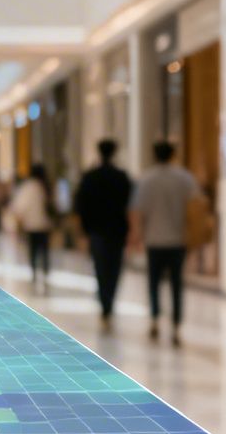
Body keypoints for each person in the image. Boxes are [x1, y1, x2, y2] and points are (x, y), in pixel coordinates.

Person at [130, 141, 204, 347]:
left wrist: (136, 236)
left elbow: (137, 210)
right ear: (173, 155)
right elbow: (197, 206)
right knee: (176, 284)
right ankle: (176, 326)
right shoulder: (184, 178)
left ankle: (154, 319)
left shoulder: (146, 179)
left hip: (154, 240)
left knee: (153, 282)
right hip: (177, 240)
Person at [74, 139, 133, 329]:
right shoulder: (122, 177)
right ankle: (110, 303)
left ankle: (104, 305)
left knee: (100, 268)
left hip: (96, 231)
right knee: (114, 269)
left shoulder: (90, 177)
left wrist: (83, 230)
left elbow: (81, 205)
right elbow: (130, 205)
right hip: (117, 230)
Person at [9, 165, 53, 294]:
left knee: (33, 250)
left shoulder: (28, 187)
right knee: (44, 249)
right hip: (44, 224)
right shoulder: (45, 186)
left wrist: (19, 222)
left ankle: (34, 272)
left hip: (31, 225)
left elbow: (19, 206)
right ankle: (45, 271)